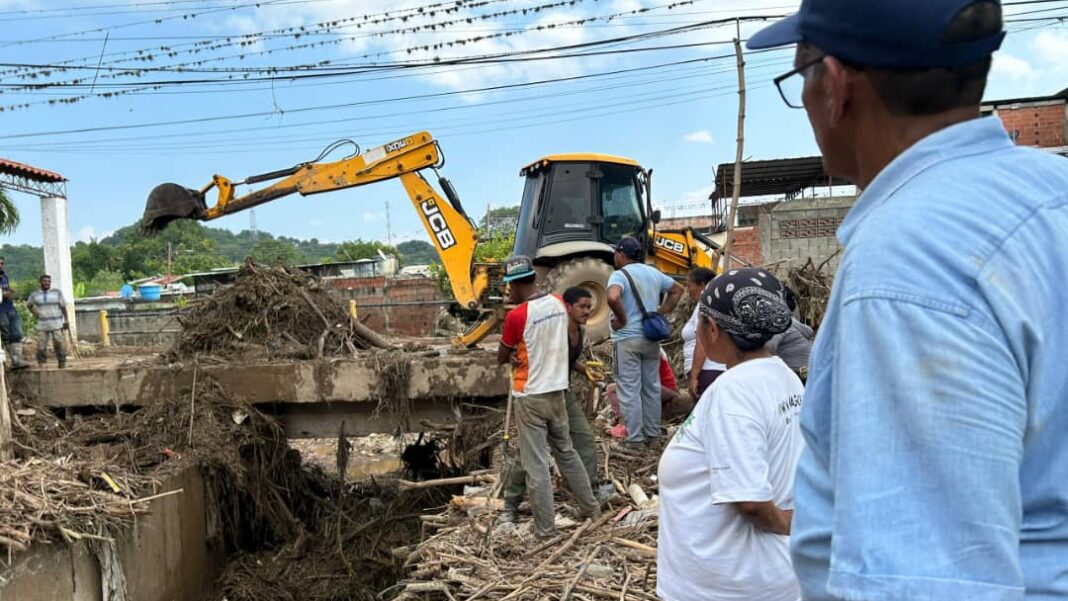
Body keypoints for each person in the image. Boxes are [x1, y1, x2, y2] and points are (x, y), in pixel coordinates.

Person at [749, 1, 1068, 598]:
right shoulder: (1051, 191)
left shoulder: (911, 264)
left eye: (800, 79)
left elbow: (925, 580)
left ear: (837, 87)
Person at [657, 268, 803, 601]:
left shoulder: (734, 393)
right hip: (767, 575)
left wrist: (789, 524)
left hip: (728, 586)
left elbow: (749, 500)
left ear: (712, 328)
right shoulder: (785, 376)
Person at [497, 256, 600, 538]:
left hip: (530, 396)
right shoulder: (558, 303)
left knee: (536, 465)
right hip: (557, 392)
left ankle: (546, 530)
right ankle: (592, 509)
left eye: (510, 287)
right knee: (567, 453)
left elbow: (501, 356)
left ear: (517, 284)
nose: (509, 292)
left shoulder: (516, 316)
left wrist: (516, 354)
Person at [606, 236, 683, 444]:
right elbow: (678, 290)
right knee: (651, 388)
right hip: (651, 340)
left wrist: (622, 319)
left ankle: (636, 439)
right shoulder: (653, 273)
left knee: (629, 390)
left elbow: (613, 297)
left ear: (621, 255)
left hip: (627, 339)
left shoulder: (619, 275)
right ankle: (653, 435)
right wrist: (660, 312)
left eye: (616, 253)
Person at [605, 350, 680, 439]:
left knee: (617, 389)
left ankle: (625, 426)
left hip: (665, 388)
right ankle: (624, 424)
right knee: (614, 388)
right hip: (656, 387)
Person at [680, 267, 726, 399]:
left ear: (702, 285)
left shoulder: (704, 306)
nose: (687, 290)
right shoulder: (714, 304)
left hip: (706, 372)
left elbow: (702, 341)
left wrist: (694, 376)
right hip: (712, 371)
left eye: (689, 286)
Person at [767, 288, 814, 378]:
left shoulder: (781, 324)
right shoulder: (793, 322)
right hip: (809, 371)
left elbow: (767, 350)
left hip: (799, 375)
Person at [26, 274, 70, 368]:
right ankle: (41, 365)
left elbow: (63, 307)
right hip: (42, 324)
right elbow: (29, 305)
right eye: (45, 281)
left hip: (57, 323)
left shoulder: (57, 292)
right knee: (41, 345)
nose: (47, 283)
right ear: (40, 282)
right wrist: (36, 314)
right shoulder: (34, 294)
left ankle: (62, 363)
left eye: (49, 281)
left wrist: (66, 320)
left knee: (59, 343)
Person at [0, 256, 30, 370]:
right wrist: (3, 294)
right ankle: (12, 360)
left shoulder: (4, 277)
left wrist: (9, 292)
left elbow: (6, 290)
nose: (1, 265)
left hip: (10, 308)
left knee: (17, 333)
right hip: (1, 310)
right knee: (6, 335)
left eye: (2, 263)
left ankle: (17, 360)